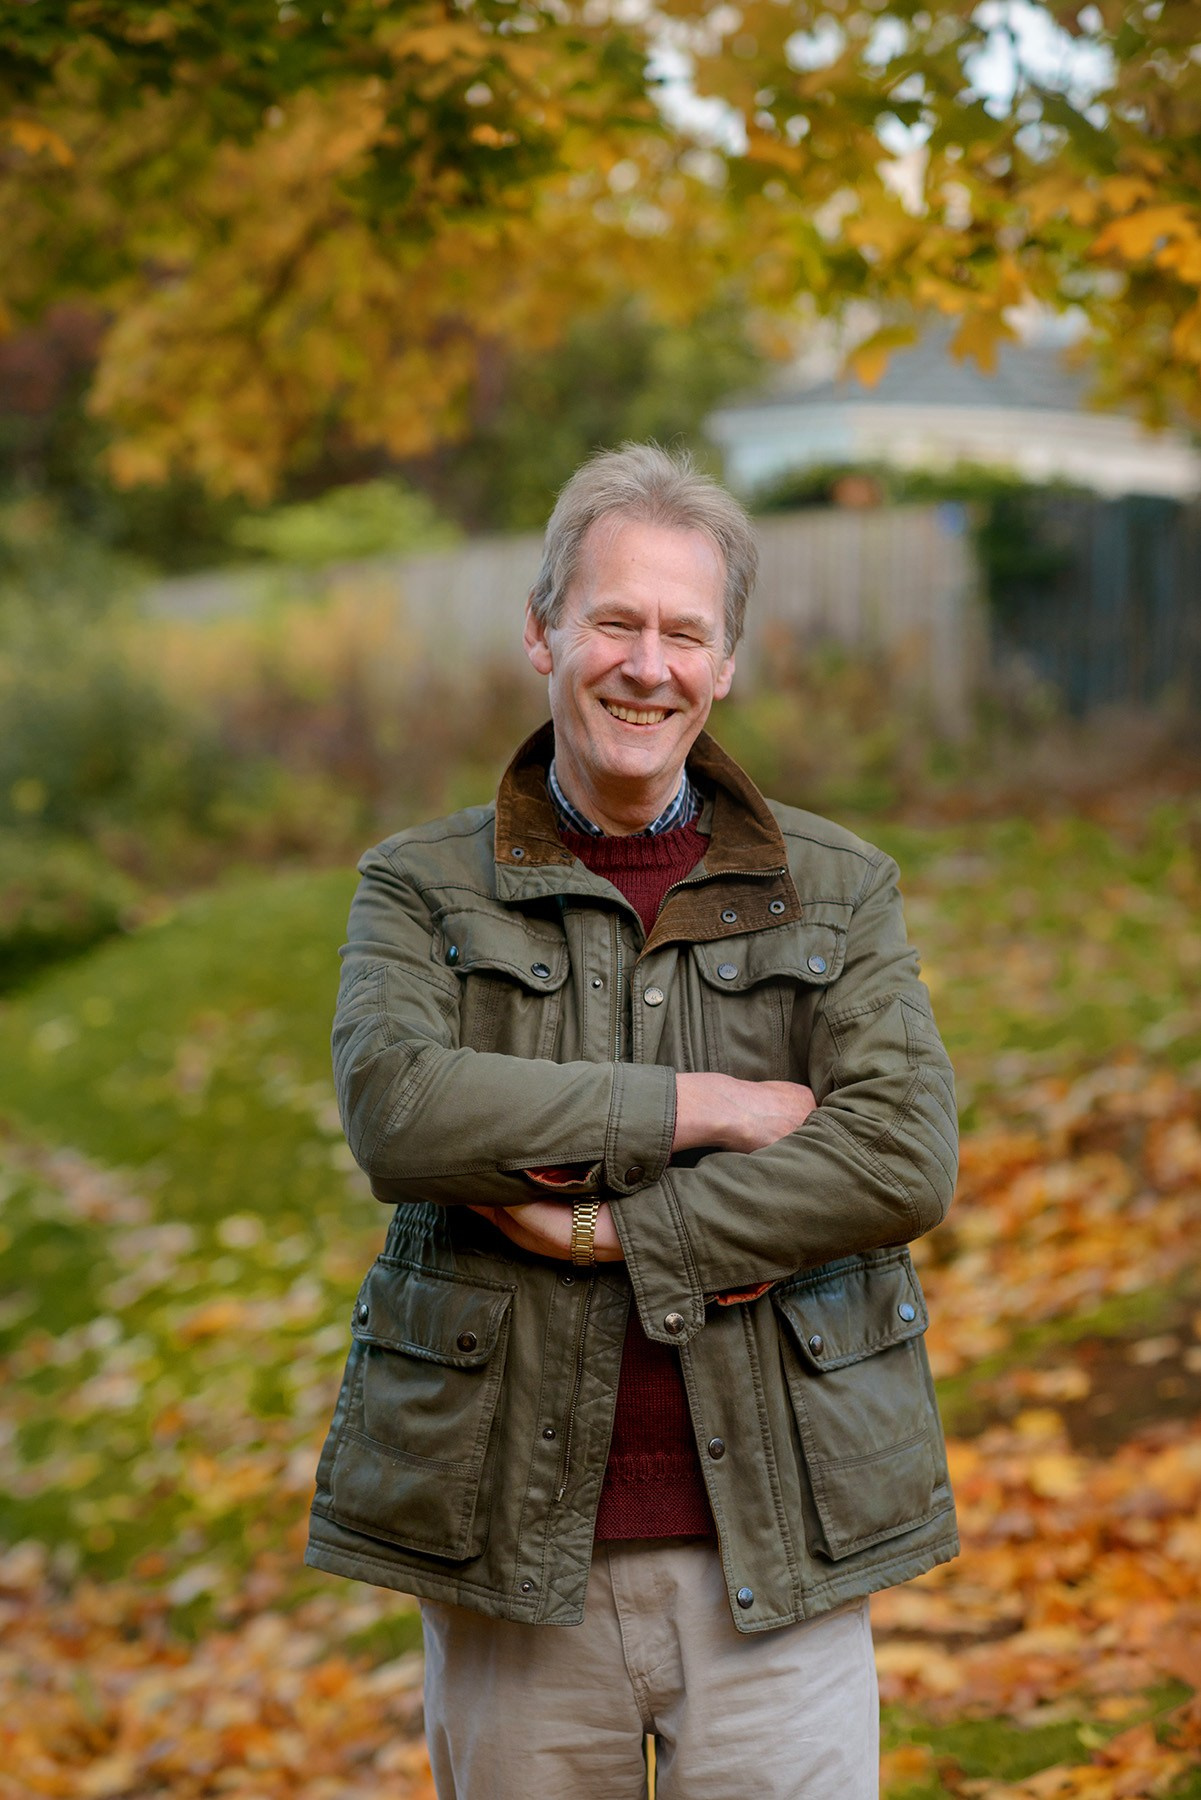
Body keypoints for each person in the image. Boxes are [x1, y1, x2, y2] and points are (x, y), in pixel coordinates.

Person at [306, 443, 959, 1800]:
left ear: (727, 665)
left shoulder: (837, 888)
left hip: (779, 1552)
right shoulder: (419, 888)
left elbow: (899, 1153)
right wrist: (710, 1106)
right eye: (613, 622)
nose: (646, 667)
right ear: (541, 631)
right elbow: (401, 1111)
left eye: (684, 633)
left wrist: (611, 1234)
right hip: (511, 1555)